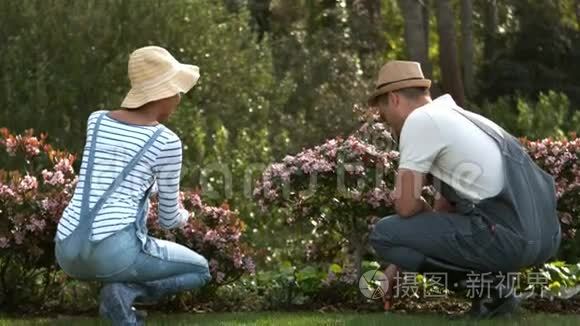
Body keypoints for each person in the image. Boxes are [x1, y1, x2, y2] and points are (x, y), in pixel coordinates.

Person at [367, 61, 561, 318]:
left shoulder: (419, 121)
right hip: (544, 237)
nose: (386, 123)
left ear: (393, 99)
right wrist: (398, 264)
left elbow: (406, 206)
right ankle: (495, 297)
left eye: (382, 114)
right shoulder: (460, 118)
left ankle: (492, 292)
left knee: (385, 234)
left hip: (508, 235)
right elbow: (445, 212)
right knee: (453, 224)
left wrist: (405, 240)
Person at [54, 46, 211, 325]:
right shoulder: (167, 142)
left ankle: (122, 301)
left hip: (66, 246)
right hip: (114, 252)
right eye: (176, 90)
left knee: (125, 249)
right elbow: (168, 219)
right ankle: (125, 291)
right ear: (163, 93)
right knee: (200, 271)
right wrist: (188, 215)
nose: (178, 97)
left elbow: (115, 176)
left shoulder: (97, 120)